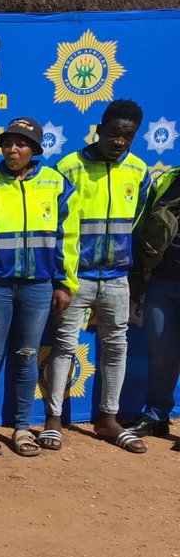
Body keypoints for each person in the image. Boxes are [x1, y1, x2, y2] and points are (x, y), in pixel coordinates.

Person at [0, 117, 77, 457]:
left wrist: (64, 283)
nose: (13, 150)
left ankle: (22, 428)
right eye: (8, 143)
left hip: (38, 287)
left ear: (35, 149)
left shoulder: (55, 184)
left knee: (26, 358)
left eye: (21, 144)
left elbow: (67, 239)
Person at [41, 100, 150, 453]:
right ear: (99, 129)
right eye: (114, 133)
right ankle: (53, 421)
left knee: (117, 347)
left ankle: (108, 419)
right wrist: (63, 277)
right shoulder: (69, 167)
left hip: (117, 277)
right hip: (77, 277)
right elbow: (54, 226)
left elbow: (139, 225)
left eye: (128, 136)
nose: (120, 141)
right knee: (64, 346)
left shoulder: (138, 170)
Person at [124, 165, 180, 446]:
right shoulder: (170, 178)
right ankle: (157, 415)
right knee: (161, 352)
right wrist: (138, 272)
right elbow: (145, 222)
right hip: (163, 281)